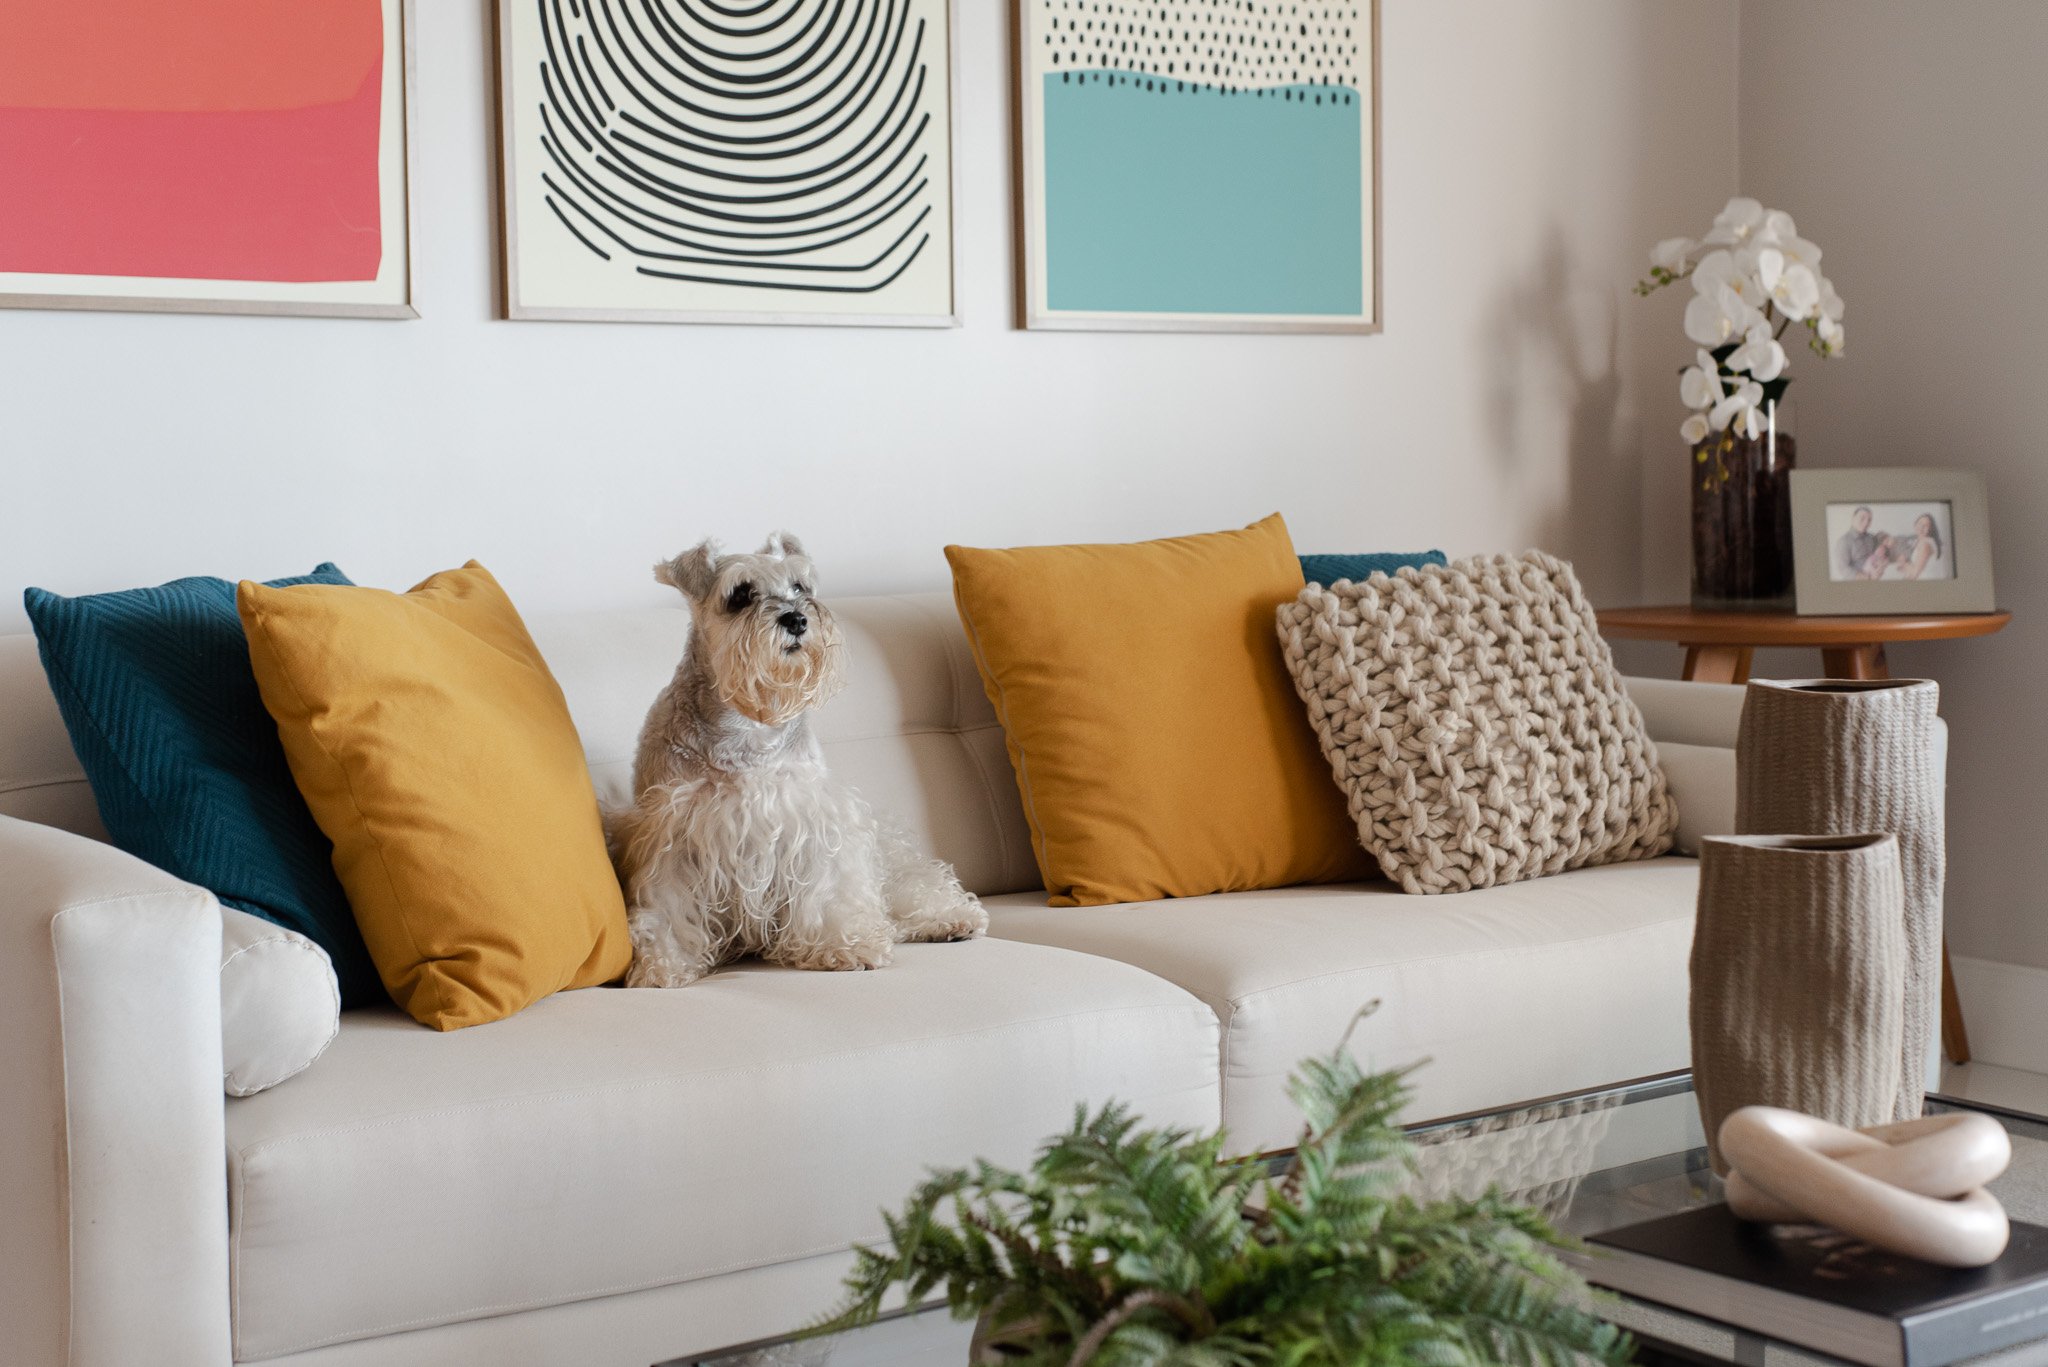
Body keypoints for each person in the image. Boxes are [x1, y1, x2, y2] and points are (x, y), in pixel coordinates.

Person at [1892, 512, 1947, 580]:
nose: (1921, 527)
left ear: (1930, 529)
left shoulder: (1925, 544)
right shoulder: (1919, 541)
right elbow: (1912, 570)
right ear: (1915, 525)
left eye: (1925, 526)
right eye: (1920, 523)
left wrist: (1904, 563)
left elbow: (1915, 573)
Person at [1835, 506, 1883, 580]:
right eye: (1862, 518)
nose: (1866, 522)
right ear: (1853, 518)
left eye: (1869, 520)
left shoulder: (1872, 538)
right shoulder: (1844, 541)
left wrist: (1879, 568)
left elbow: (1879, 556)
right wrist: (1867, 578)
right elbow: (1843, 568)